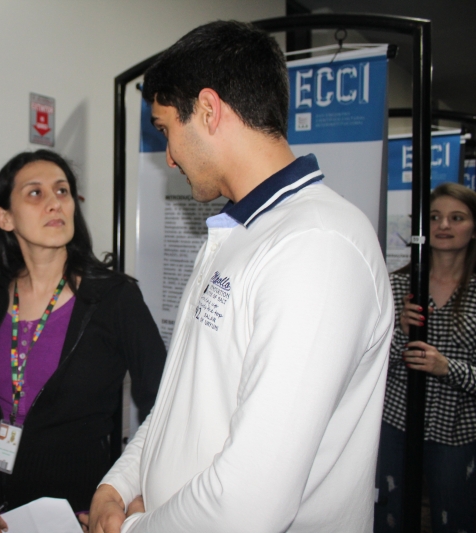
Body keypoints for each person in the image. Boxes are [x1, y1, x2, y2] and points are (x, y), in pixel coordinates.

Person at [89, 20, 393, 533]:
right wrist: (117, 484)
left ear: (208, 110)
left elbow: (251, 500)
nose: (170, 157)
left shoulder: (318, 245)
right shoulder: (240, 232)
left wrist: (137, 528)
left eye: (166, 130)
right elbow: (180, 401)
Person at [0, 149, 167, 533]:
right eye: (35, 193)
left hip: (79, 512)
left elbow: (164, 403)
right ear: (4, 218)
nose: (55, 202)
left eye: (62, 191)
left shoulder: (114, 299)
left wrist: (131, 493)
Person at [374, 183, 476, 533]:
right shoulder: (397, 286)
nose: (443, 225)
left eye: (456, 218)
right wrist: (400, 333)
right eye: (434, 217)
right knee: (389, 514)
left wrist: (447, 368)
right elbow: (369, 364)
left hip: (456, 431)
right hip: (396, 422)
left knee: (454, 517)